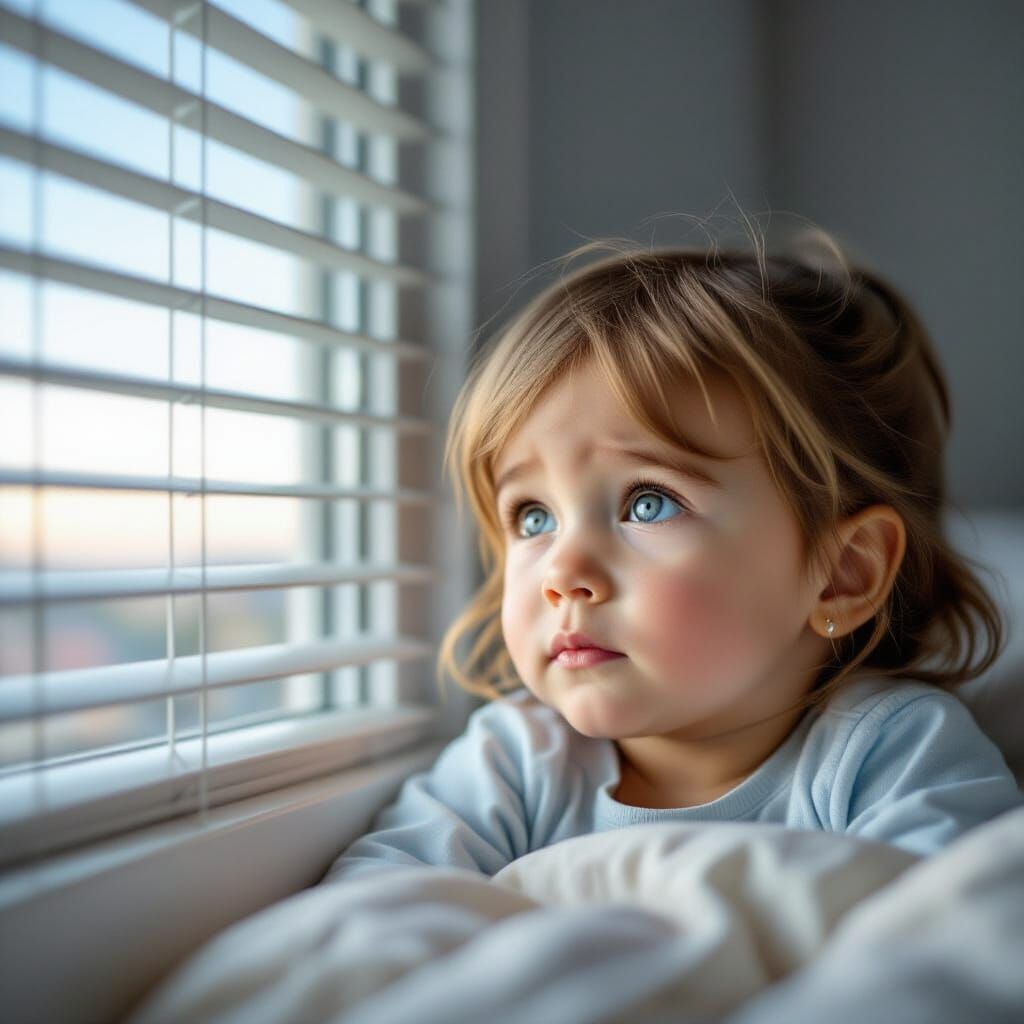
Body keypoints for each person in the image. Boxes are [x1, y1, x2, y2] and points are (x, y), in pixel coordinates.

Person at [325, 221, 1021, 885]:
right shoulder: (516, 761)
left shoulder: (887, 753)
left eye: (647, 503)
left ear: (843, 573)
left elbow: (962, 931)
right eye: (533, 516)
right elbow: (370, 916)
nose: (563, 574)